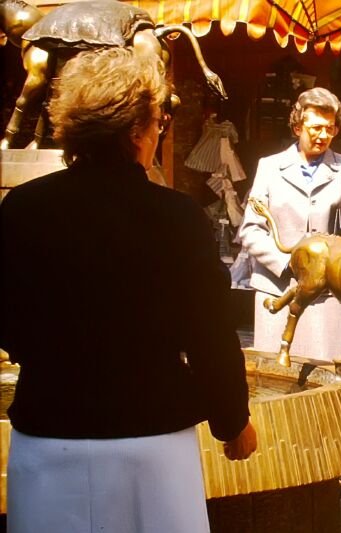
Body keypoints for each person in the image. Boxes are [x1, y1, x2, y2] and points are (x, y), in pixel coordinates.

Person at [0, 48, 256, 533]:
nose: (160, 132)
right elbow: (210, 334)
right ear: (136, 130)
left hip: (48, 434)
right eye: (158, 122)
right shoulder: (177, 217)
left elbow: (7, 321)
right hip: (153, 442)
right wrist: (232, 421)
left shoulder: (22, 209)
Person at [239, 87, 341, 361]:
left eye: (330, 128)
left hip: (329, 297)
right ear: (297, 127)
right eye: (315, 127)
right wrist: (287, 263)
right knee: (275, 378)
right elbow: (251, 229)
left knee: (327, 379)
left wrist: (333, 263)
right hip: (276, 292)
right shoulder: (269, 167)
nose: (323, 135)